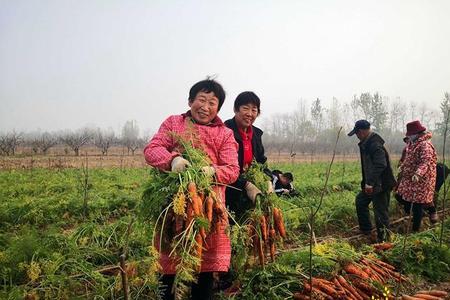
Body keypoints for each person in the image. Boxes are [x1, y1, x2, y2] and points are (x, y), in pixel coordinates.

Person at [143, 79, 240, 300]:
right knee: (168, 273)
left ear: (218, 108)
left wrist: (212, 171)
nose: (205, 107)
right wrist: (173, 160)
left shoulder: (224, 134)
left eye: (212, 103)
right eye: (201, 100)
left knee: (203, 276)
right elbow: (152, 149)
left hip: (208, 213)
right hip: (173, 209)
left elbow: (233, 170)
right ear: (190, 101)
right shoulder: (174, 123)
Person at [224, 91, 271, 222]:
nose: (250, 114)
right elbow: (224, 166)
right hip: (228, 190)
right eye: (245, 108)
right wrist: (245, 184)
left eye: (254, 110)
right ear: (235, 109)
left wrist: (267, 179)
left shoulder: (256, 134)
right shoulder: (225, 130)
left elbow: (261, 161)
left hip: (249, 192)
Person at [348, 120, 396, 242]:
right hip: (372, 183)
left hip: (381, 184)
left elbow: (380, 164)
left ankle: (384, 240)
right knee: (361, 201)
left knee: (380, 213)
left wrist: (370, 183)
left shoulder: (374, 144)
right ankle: (366, 230)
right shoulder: (367, 143)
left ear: (363, 132)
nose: (357, 136)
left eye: (357, 133)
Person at [396, 120, 437, 232]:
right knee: (400, 196)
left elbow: (426, 161)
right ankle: (418, 214)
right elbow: (409, 158)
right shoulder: (412, 144)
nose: (409, 136)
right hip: (409, 178)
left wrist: (418, 173)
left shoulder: (425, 145)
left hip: (422, 180)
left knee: (417, 204)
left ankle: (415, 230)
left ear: (417, 133)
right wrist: (402, 166)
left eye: (410, 134)